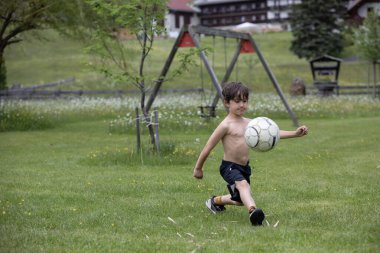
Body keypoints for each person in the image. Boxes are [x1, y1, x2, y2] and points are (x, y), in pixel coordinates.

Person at [193, 81, 308, 226]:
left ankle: (215, 202)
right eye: (237, 101)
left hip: (244, 167)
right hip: (229, 167)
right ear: (227, 103)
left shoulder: (251, 123)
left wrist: (295, 133)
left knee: (239, 199)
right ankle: (253, 211)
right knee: (243, 186)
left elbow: (273, 133)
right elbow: (208, 147)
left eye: (245, 101)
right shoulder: (225, 125)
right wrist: (198, 168)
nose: (242, 105)